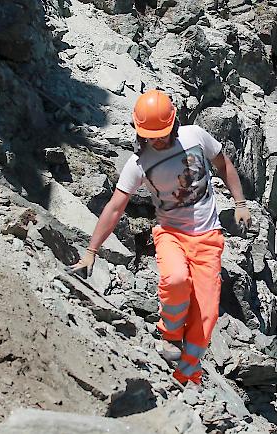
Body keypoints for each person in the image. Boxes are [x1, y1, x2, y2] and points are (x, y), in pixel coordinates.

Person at [70, 89, 251, 386]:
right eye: (151, 135)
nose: (158, 140)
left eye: (163, 133)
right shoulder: (139, 163)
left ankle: (188, 376)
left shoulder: (196, 136)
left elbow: (224, 164)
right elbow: (115, 207)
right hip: (171, 234)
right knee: (177, 279)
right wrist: (91, 250)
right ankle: (169, 334)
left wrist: (241, 204)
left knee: (205, 318)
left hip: (208, 238)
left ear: (175, 122)